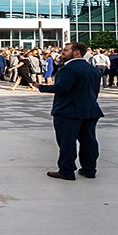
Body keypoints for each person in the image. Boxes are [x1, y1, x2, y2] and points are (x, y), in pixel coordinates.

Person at [38, 42, 104, 181]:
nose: (62, 52)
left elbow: (62, 88)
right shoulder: (92, 69)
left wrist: (42, 87)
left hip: (69, 111)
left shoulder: (68, 69)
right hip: (90, 109)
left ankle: (66, 170)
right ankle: (89, 169)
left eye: (66, 50)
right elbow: (95, 91)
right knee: (89, 140)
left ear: (76, 52)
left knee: (67, 141)